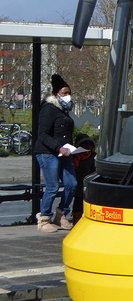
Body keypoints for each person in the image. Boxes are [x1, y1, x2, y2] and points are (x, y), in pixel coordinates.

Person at [33, 73, 77, 233]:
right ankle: (44, 218)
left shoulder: (63, 110)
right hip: (48, 152)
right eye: (65, 93)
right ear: (56, 93)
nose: (68, 96)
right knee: (52, 186)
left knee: (72, 184)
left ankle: (61, 213)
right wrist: (59, 148)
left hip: (64, 152)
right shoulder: (49, 109)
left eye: (69, 92)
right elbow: (43, 135)